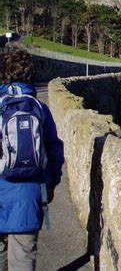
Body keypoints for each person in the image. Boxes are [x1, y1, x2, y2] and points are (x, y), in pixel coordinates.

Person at [0, 50, 64, 271]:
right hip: (29, 193)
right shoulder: (40, 110)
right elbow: (55, 151)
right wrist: (51, 185)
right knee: (23, 258)